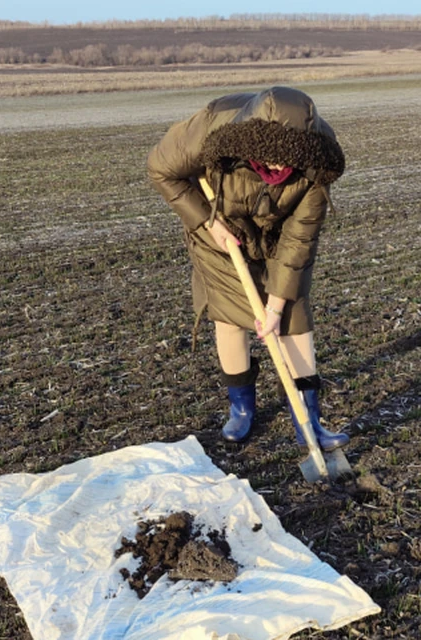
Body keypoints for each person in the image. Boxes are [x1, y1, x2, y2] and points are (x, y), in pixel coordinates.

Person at [147, 86, 349, 451]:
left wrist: (275, 306)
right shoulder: (209, 131)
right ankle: (241, 410)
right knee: (229, 315)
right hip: (218, 227)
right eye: (266, 157)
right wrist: (208, 224)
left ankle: (309, 420)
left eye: (285, 160)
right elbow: (161, 169)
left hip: (277, 234)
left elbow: (299, 240)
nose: (275, 167)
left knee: (293, 315)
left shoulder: (320, 160)